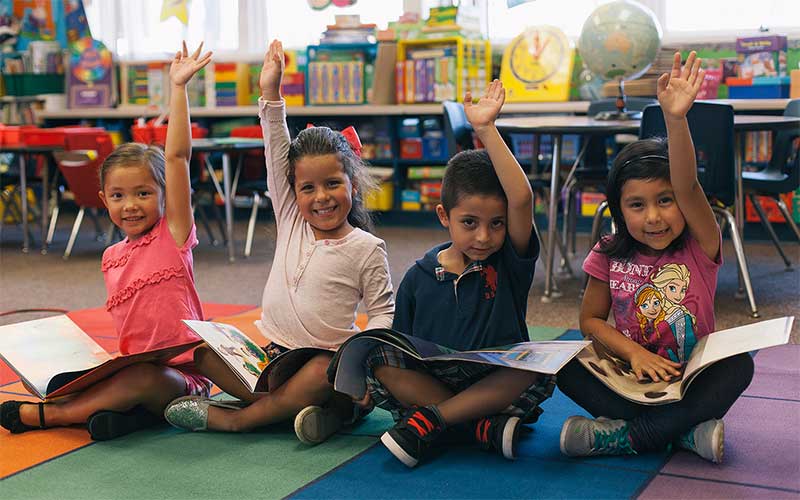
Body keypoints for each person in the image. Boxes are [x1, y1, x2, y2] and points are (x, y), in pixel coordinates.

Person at [163, 39, 394, 445]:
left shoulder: (366, 247)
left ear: (352, 185)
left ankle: (240, 420)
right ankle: (304, 412)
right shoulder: (292, 219)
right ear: (293, 192)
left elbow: (382, 313)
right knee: (202, 353)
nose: (320, 197)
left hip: (325, 362)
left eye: (332, 184)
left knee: (322, 375)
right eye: (308, 188)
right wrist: (271, 93)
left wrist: (360, 359)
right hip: (273, 356)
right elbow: (275, 149)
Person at [0, 42, 214, 441]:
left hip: (181, 378)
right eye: (118, 196)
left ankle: (54, 416)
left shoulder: (173, 235)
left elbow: (178, 158)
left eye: (143, 194)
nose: (130, 205)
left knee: (140, 379)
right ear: (103, 201)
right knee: (105, 377)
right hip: (131, 370)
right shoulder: (111, 257)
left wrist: (178, 89)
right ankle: (126, 417)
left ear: (165, 196)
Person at [557, 51, 754, 464]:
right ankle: (684, 434)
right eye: (637, 205)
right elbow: (589, 321)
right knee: (564, 362)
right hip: (634, 379)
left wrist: (676, 120)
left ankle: (628, 437)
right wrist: (634, 354)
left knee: (739, 366)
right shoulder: (608, 252)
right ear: (618, 209)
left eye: (665, 201)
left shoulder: (700, 244)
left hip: (690, 380)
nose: (654, 217)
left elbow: (688, 188)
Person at [361, 79, 553, 468]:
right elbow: (402, 348)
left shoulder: (508, 265)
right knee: (379, 358)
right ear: (444, 217)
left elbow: (521, 198)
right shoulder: (419, 275)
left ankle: (438, 421)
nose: (484, 236)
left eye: (497, 224)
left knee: (533, 365)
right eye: (469, 223)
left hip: (495, 381)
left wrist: (486, 130)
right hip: (436, 382)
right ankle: (479, 427)